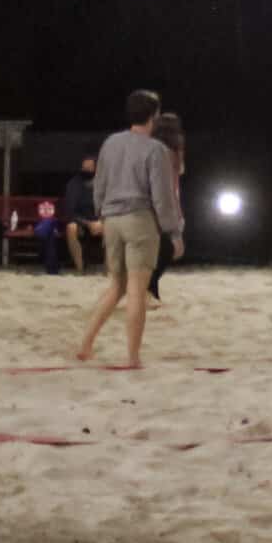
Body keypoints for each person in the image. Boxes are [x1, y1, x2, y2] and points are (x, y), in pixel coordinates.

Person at [76, 90, 183, 365]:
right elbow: (162, 196)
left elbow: (99, 184)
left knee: (116, 287)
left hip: (111, 220)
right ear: (154, 116)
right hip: (139, 221)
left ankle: (86, 343)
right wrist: (174, 231)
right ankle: (133, 357)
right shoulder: (155, 150)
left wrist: (100, 215)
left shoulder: (111, 143)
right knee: (136, 290)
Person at [147, 111, 184, 302]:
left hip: (157, 201)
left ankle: (151, 289)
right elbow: (171, 184)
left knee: (164, 249)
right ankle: (150, 287)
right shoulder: (169, 152)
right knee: (169, 249)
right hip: (165, 201)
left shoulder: (154, 148)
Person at [45, 155, 101, 277]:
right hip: (80, 221)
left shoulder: (103, 184)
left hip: (100, 221)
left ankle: (110, 271)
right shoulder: (74, 184)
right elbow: (70, 211)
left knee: (113, 228)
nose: (87, 170)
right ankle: (80, 269)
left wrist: (101, 221)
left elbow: (110, 206)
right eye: (84, 167)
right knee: (71, 228)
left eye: (90, 167)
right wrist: (88, 223)